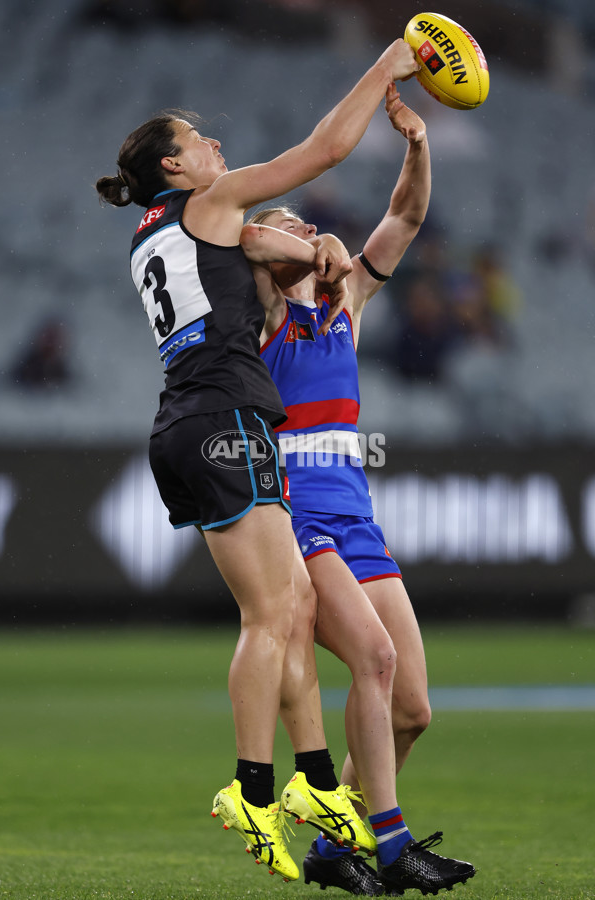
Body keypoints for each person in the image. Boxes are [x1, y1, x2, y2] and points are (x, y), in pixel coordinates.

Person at [95, 39, 421, 884]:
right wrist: (385, 68)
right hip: (226, 416)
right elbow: (321, 152)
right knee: (272, 617)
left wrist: (309, 251)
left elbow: (265, 247)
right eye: (200, 142)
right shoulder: (211, 205)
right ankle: (251, 785)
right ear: (174, 164)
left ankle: (317, 783)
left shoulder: (154, 234)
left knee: (295, 607)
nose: (217, 150)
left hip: (187, 419)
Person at [248, 85, 476, 895]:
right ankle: (388, 841)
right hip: (298, 521)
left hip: (357, 521)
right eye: (293, 225)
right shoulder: (268, 310)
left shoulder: (348, 307)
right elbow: (245, 239)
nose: (308, 230)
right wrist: (311, 241)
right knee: (373, 661)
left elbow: (405, 220)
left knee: (412, 706)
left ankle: (331, 841)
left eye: (308, 225)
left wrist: (417, 148)